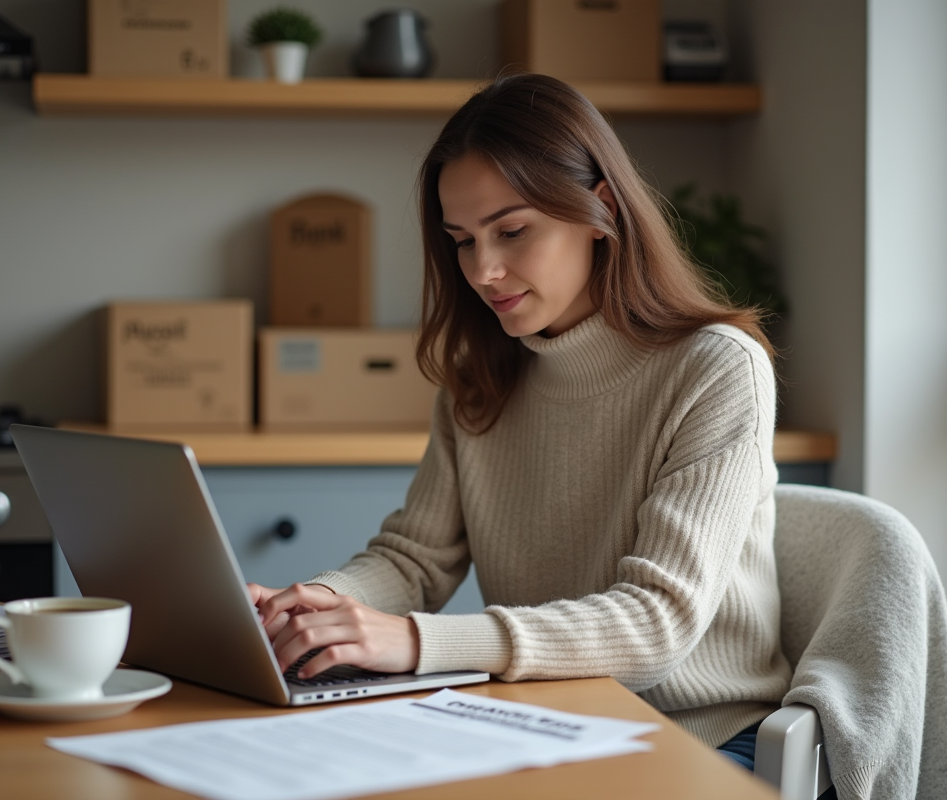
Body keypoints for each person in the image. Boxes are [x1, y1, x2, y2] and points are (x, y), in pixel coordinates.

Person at [249, 72, 793, 770]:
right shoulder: (482, 377)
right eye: (463, 241)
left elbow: (656, 624)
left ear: (599, 210)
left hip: (704, 738)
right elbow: (415, 561)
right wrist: (320, 607)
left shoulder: (716, 368)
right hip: (545, 723)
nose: (485, 271)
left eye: (511, 231)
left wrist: (415, 643)